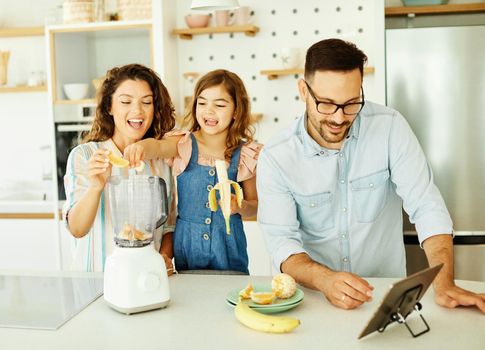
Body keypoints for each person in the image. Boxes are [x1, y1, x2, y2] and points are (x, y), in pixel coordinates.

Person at [256, 39, 485, 312]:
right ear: (303, 90)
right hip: (315, 302)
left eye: (352, 103)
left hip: (385, 300)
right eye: (327, 104)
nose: (339, 118)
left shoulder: (390, 127)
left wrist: (445, 282)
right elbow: (282, 241)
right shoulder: (277, 157)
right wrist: (325, 279)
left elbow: (426, 206)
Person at [125, 69, 262, 274]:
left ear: (236, 111)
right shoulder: (184, 143)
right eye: (202, 102)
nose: (209, 111)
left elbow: (255, 206)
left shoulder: (245, 154)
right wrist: (143, 147)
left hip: (229, 246)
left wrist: (239, 206)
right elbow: (159, 147)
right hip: (187, 245)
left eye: (220, 105)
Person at [63, 64, 179, 273]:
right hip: (95, 283)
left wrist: (165, 255)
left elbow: (168, 226)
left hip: (146, 279)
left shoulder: (162, 161)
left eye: (147, 102)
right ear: (109, 107)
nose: (137, 111)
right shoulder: (85, 156)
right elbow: (77, 229)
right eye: (126, 101)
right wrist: (96, 187)